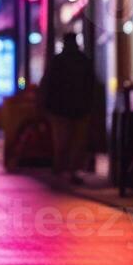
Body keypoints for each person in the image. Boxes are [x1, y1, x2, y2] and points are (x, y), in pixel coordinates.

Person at [40, 33, 96, 182]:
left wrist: (45, 107)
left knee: (61, 141)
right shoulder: (83, 60)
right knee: (77, 142)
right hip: (80, 108)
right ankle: (73, 171)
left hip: (59, 109)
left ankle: (59, 169)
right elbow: (91, 85)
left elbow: (47, 85)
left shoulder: (57, 61)